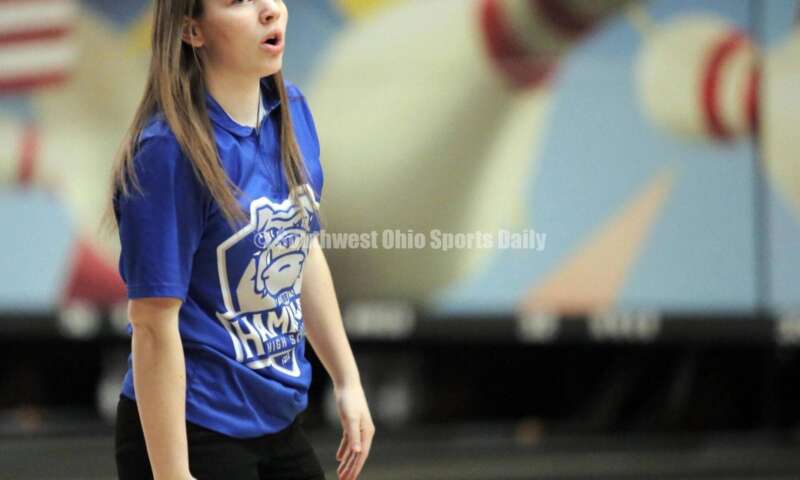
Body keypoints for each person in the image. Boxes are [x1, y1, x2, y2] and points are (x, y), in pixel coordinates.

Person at [105, 1, 374, 479]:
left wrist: (347, 379)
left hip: (277, 418)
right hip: (193, 429)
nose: (269, 10)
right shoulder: (167, 152)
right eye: (237, 1)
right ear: (192, 30)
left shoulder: (290, 111)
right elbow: (151, 326)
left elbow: (300, 246)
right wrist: (172, 475)